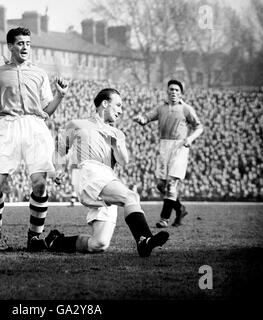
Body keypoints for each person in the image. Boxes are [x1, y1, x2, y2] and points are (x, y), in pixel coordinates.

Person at [0, 27, 69, 251]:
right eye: (20, 43)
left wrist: (60, 96)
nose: (25, 47)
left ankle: (34, 237)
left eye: (28, 43)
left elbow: (47, 110)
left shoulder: (39, 74)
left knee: (39, 183)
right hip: (7, 127)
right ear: (10, 46)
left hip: (35, 126)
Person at [41, 88, 169, 257]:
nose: (121, 110)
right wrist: (57, 170)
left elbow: (124, 161)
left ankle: (56, 241)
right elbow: (59, 151)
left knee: (99, 244)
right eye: (118, 105)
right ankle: (144, 240)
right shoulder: (77, 124)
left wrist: (117, 145)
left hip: (108, 177)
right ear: (105, 104)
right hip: (89, 172)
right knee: (131, 197)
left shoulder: (117, 133)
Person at [133, 79, 204, 228]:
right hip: (164, 146)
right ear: (167, 91)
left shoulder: (186, 109)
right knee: (160, 185)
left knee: (171, 184)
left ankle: (164, 219)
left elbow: (199, 127)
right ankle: (180, 209)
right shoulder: (161, 107)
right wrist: (141, 119)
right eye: (171, 89)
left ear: (181, 93)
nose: (173, 92)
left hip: (179, 147)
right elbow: (147, 117)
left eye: (177, 90)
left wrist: (190, 138)